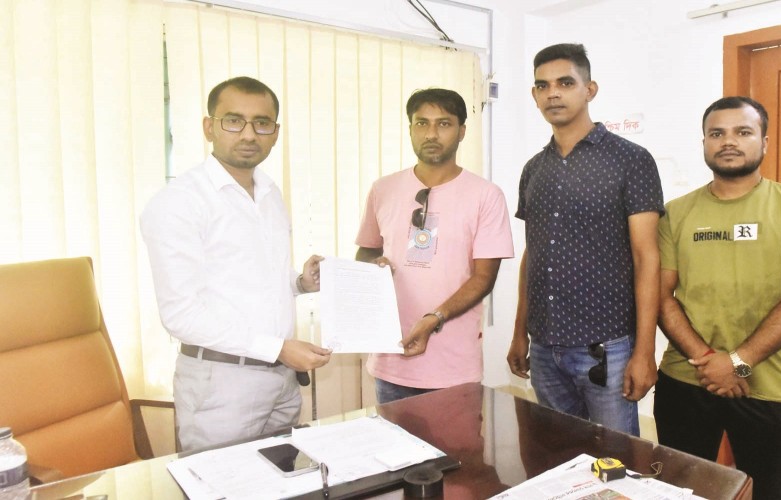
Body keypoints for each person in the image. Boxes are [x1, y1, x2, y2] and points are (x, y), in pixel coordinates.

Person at [141, 76, 332, 451]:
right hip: (222, 384)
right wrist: (278, 348)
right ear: (209, 127)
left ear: (275, 133)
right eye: (233, 121)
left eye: (261, 123)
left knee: (283, 477)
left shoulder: (269, 192)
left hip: (281, 380)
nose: (248, 134)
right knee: (223, 480)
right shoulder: (178, 202)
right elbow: (181, 314)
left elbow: (249, 278)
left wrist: (299, 283)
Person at [654, 96, 781, 499]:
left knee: (769, 490)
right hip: (687, 378)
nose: (728, 141)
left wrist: (737, 363)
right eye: (717, 133)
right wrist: (709, 360)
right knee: (681, 491)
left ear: (764, 142)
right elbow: (661, 296)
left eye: (743, 132)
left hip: (766, 385)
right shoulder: (675, 213)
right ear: (704, 142)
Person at [506, 43, 664, 436]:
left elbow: (647, 258)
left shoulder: (631, 160)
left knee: (616, 458)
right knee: (560, 454)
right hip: (545, 348)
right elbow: (533, 254)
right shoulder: (533, 169)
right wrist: (519, 332)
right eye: (543, 86)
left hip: (606, 348)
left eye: (565, 83)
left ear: (589, 89)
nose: (553, 93)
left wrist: (645, 351)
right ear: (534, 95)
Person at [355, 88, 514, 404]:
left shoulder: (486, 195)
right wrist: (372, 266)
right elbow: (367, 252)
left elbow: (484, 278)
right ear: (410, 129)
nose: (431, 134)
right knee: (392, 437)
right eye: (421, 123)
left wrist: (435, 318)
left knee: (456, 438)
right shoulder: (383, 189)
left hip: (453, 367)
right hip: (391, 358)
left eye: (443, 124)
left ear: (461, 131)